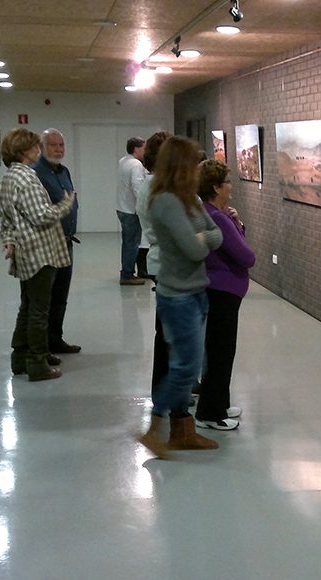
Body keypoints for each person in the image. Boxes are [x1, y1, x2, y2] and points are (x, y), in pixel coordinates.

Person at [137, 136, 223, 458]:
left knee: (188, 364)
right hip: (178, 296)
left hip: (196, 290)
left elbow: (217, 233)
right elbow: (195, 248)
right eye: (195, 162)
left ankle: (180, 431)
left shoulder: (188, 198)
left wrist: (201, 237)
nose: (200, 167)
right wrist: (202, 238)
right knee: (185, 367)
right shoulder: (166, 201)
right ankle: (156, 428)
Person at [0, 128, 75, 382]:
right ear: (23, 151)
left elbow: (6, 219)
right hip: (40, 251)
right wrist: (65, 205)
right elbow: (41, 216)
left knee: (28, 306)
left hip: (25, 251)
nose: (38, 150)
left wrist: (9, 240)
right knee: (39, 310)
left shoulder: (8, 179)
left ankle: (20, 357)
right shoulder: (27, 179)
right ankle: (38, 362)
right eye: (35, 146)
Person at [194, 160, 256, 430]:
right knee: (220, 352)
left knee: (220, 350)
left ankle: (220, 403)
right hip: (222, 292)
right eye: (228, 182)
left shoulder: (212, 213)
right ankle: (210, 413)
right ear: (216, 187)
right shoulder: (217, 218)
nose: (231, 186)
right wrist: (234, 224)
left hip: (218, 291)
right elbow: (247, 255)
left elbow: (237, 241)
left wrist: (237, 222)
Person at [31, 128, 82, 354]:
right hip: (47, 244)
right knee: (45, 299)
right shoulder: (35, 173)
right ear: (41, 147)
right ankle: (40, 347)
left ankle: (55, 339)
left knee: (61, 295)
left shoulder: (64, 171)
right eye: (53, 145)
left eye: (61, 145)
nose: (59, 150)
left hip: (66, 243)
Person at [136, 131, 172, 398]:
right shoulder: (159, 189)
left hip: (165, 264)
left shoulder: (155, 186)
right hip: (170, 265)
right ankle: (165, 390)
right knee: (169, 333)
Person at [117, 136, 146, 285]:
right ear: (136, 149)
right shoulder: (136, 165)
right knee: (133, 243)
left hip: (122, 207)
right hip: (131, 209)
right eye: (143, 148)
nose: (145, 151)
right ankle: (127, 275)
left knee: (127, 242)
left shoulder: (123, 161)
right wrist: (145, 206)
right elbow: (137, 187)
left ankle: (126, 271)